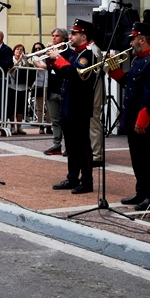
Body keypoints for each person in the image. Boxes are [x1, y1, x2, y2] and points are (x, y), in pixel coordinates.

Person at [108, 22, 150, 209]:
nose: (131, 42)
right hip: (133, 116)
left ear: (142, 39)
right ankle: (141, 191)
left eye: (133, 39)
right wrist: (113, 69)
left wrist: (143, 119)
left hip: (145, 118)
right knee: (137, 158)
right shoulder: (138, 59)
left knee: (148, 159)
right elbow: (129, 85)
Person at [48, 19, 99, 194]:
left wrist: (59, 59)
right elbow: (63, 73)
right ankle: (72, 177)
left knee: (82, 146)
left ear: (83, 36)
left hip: (79, 106)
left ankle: (87, 181)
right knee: (71, 146)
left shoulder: (87, 55)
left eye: (74, 34)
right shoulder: (75, 53)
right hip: (69, 104)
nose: (70, 36)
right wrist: (52, 58)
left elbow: (75, 75)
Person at [39, 28, 68, 155]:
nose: (53, 38)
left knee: (66, 120)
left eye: (57, 36)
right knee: (55, 120)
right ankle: (56, 144)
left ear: (63, 39)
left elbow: (64, 69)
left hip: (64, 90)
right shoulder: (49, 53)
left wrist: (57, 55)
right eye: (53, 36)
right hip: (52, 90)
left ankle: (69, 146)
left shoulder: (68, 53)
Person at [6, 44, 34, 134]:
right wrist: (18, 61)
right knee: (12, 107)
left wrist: (25, 61)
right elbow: (10, 71)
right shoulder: (11, 60)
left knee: (20, 108)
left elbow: (29, 71)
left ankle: (19, 127)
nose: (19, 51)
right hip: (12, 86)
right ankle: (12, 127)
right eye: (17, 49)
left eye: (21, 49)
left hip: (23, 87)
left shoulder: (25, 61)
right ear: (14, 51)